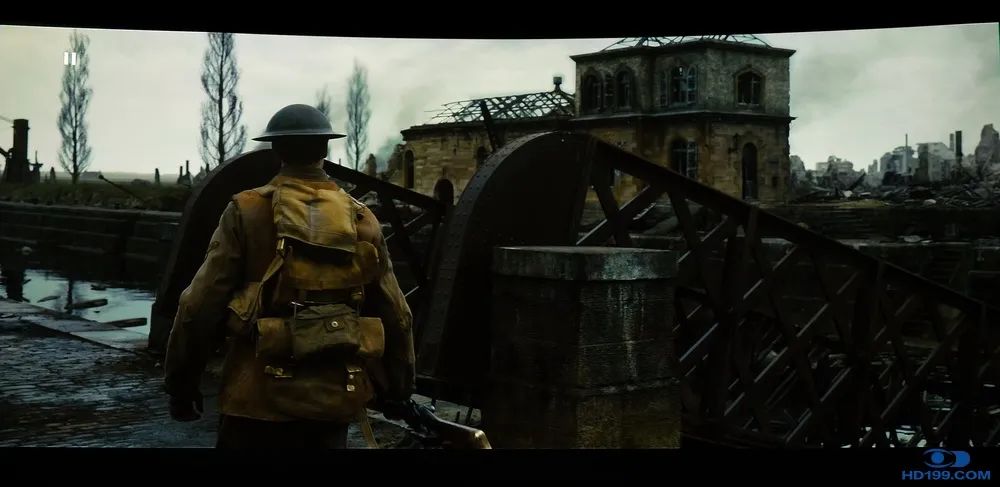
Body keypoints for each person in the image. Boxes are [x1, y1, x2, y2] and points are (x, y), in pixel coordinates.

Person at [163, 104, 415, 448]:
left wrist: (181, 384)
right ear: (325, 149)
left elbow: (198, 305)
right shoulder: (362, 219)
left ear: (276, 150)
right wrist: (398, 389)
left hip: (255, 399)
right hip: (333, 398)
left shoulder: (247, 210)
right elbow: (397, 314)